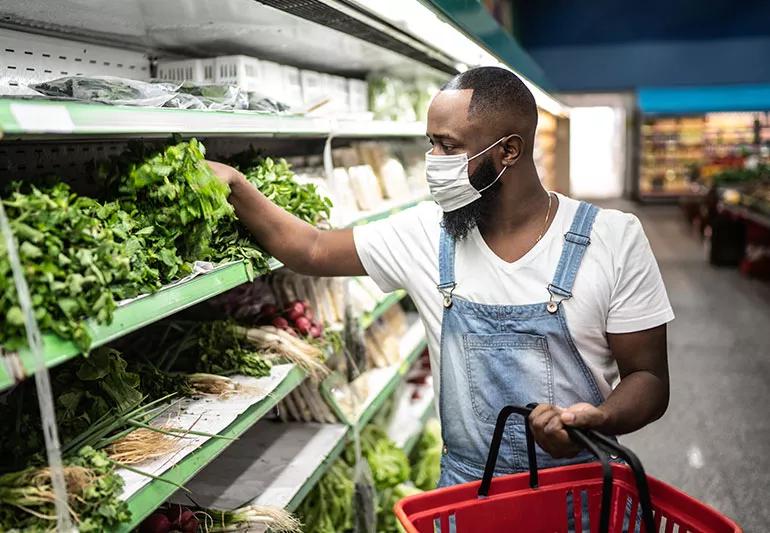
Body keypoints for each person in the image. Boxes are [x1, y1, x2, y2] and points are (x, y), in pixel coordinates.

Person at [207, 66, 673, 486]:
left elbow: (648, 376)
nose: (434, 161)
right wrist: (235, 185)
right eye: (430, 143)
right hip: (468, 492)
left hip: (578, 489)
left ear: (509, 150)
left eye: (448, 146)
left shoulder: (612, 238)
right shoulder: (426, 233)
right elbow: (311, 249)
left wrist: (599, 419)